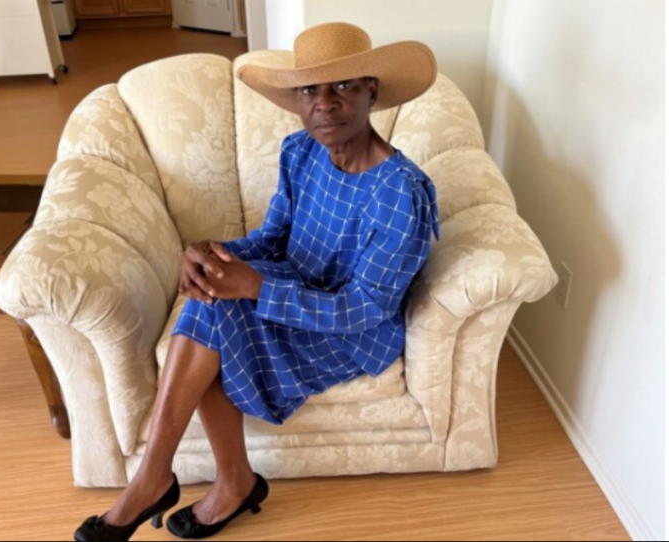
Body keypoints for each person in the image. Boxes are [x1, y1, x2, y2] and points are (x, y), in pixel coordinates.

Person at [74, 21, 441, 542]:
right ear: (296, 100)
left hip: (352, 330)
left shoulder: (401, 193)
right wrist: (209, 253)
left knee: (219, 304)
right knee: (212, 290)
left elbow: (367, 309)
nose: (325, 103)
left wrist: (258, 289)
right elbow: (273, 239)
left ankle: (173, 480)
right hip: (297, 286)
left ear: (371, 91)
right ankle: (217, 481)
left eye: (343, 86)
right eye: (310, 90)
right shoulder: (301, 151)